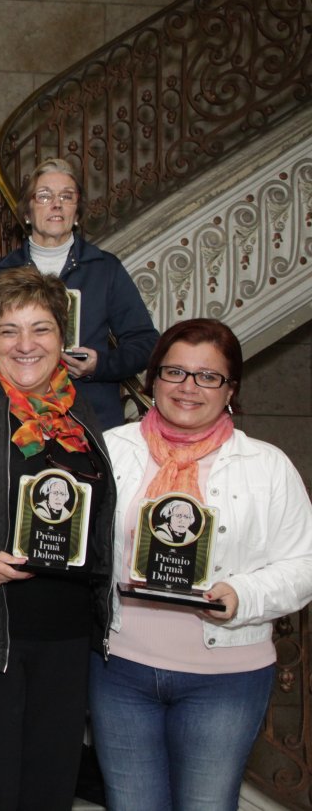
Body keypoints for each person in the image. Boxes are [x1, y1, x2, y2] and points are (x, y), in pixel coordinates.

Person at [90, 318, 312, 811]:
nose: (188, 387)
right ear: (153, 380)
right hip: (120, 670)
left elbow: (304, 564)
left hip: (226, 678)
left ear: (230, 388)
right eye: (174, 372)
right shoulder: (110, 448)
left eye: (207, 376)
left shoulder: (267, 465)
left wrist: (243, 597)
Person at [0, 267, 116, 811]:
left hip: (65, 639)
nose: (26, 345)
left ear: (63, 337)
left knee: (48, 794)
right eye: (9, 330)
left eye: (41, 329)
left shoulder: (81, 412)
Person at [0, 157, 158, 430]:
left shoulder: (105, 269)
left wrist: (100, 365)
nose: (56, 203)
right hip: (12, 419)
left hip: (88, 416)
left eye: (67, 196)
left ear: (77, 213)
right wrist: (7, 359)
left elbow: (146, 344)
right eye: (44, 195)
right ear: (27, 212)